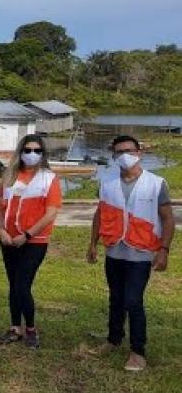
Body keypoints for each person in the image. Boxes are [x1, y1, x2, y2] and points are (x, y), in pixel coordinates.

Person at [87, 135, 174, 372]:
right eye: (119, 151)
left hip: (142, 252)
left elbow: (167, 218)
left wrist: (164, 250)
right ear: (114, 156)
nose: (124, 154)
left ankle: (138, 351)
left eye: (128, 150)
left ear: (139, 153)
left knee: (133, 300)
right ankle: (113, 340)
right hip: (114, 250)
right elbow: (100, 213)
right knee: (115, 298)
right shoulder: (107, 183)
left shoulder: (156, 183)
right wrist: (93, 243)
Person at [0, 134, 61, 349]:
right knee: (13, 284)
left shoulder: (48, 178)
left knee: (23, 286)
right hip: (8, 239)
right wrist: (2, 231)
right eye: (28, 150)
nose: (32, 154)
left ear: (43, 154)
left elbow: (51, 213)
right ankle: (15, 327)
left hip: (34, 241)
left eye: (37, 151)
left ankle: (31, 329)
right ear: (20, 152)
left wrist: (27, 235)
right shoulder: (10, 176)